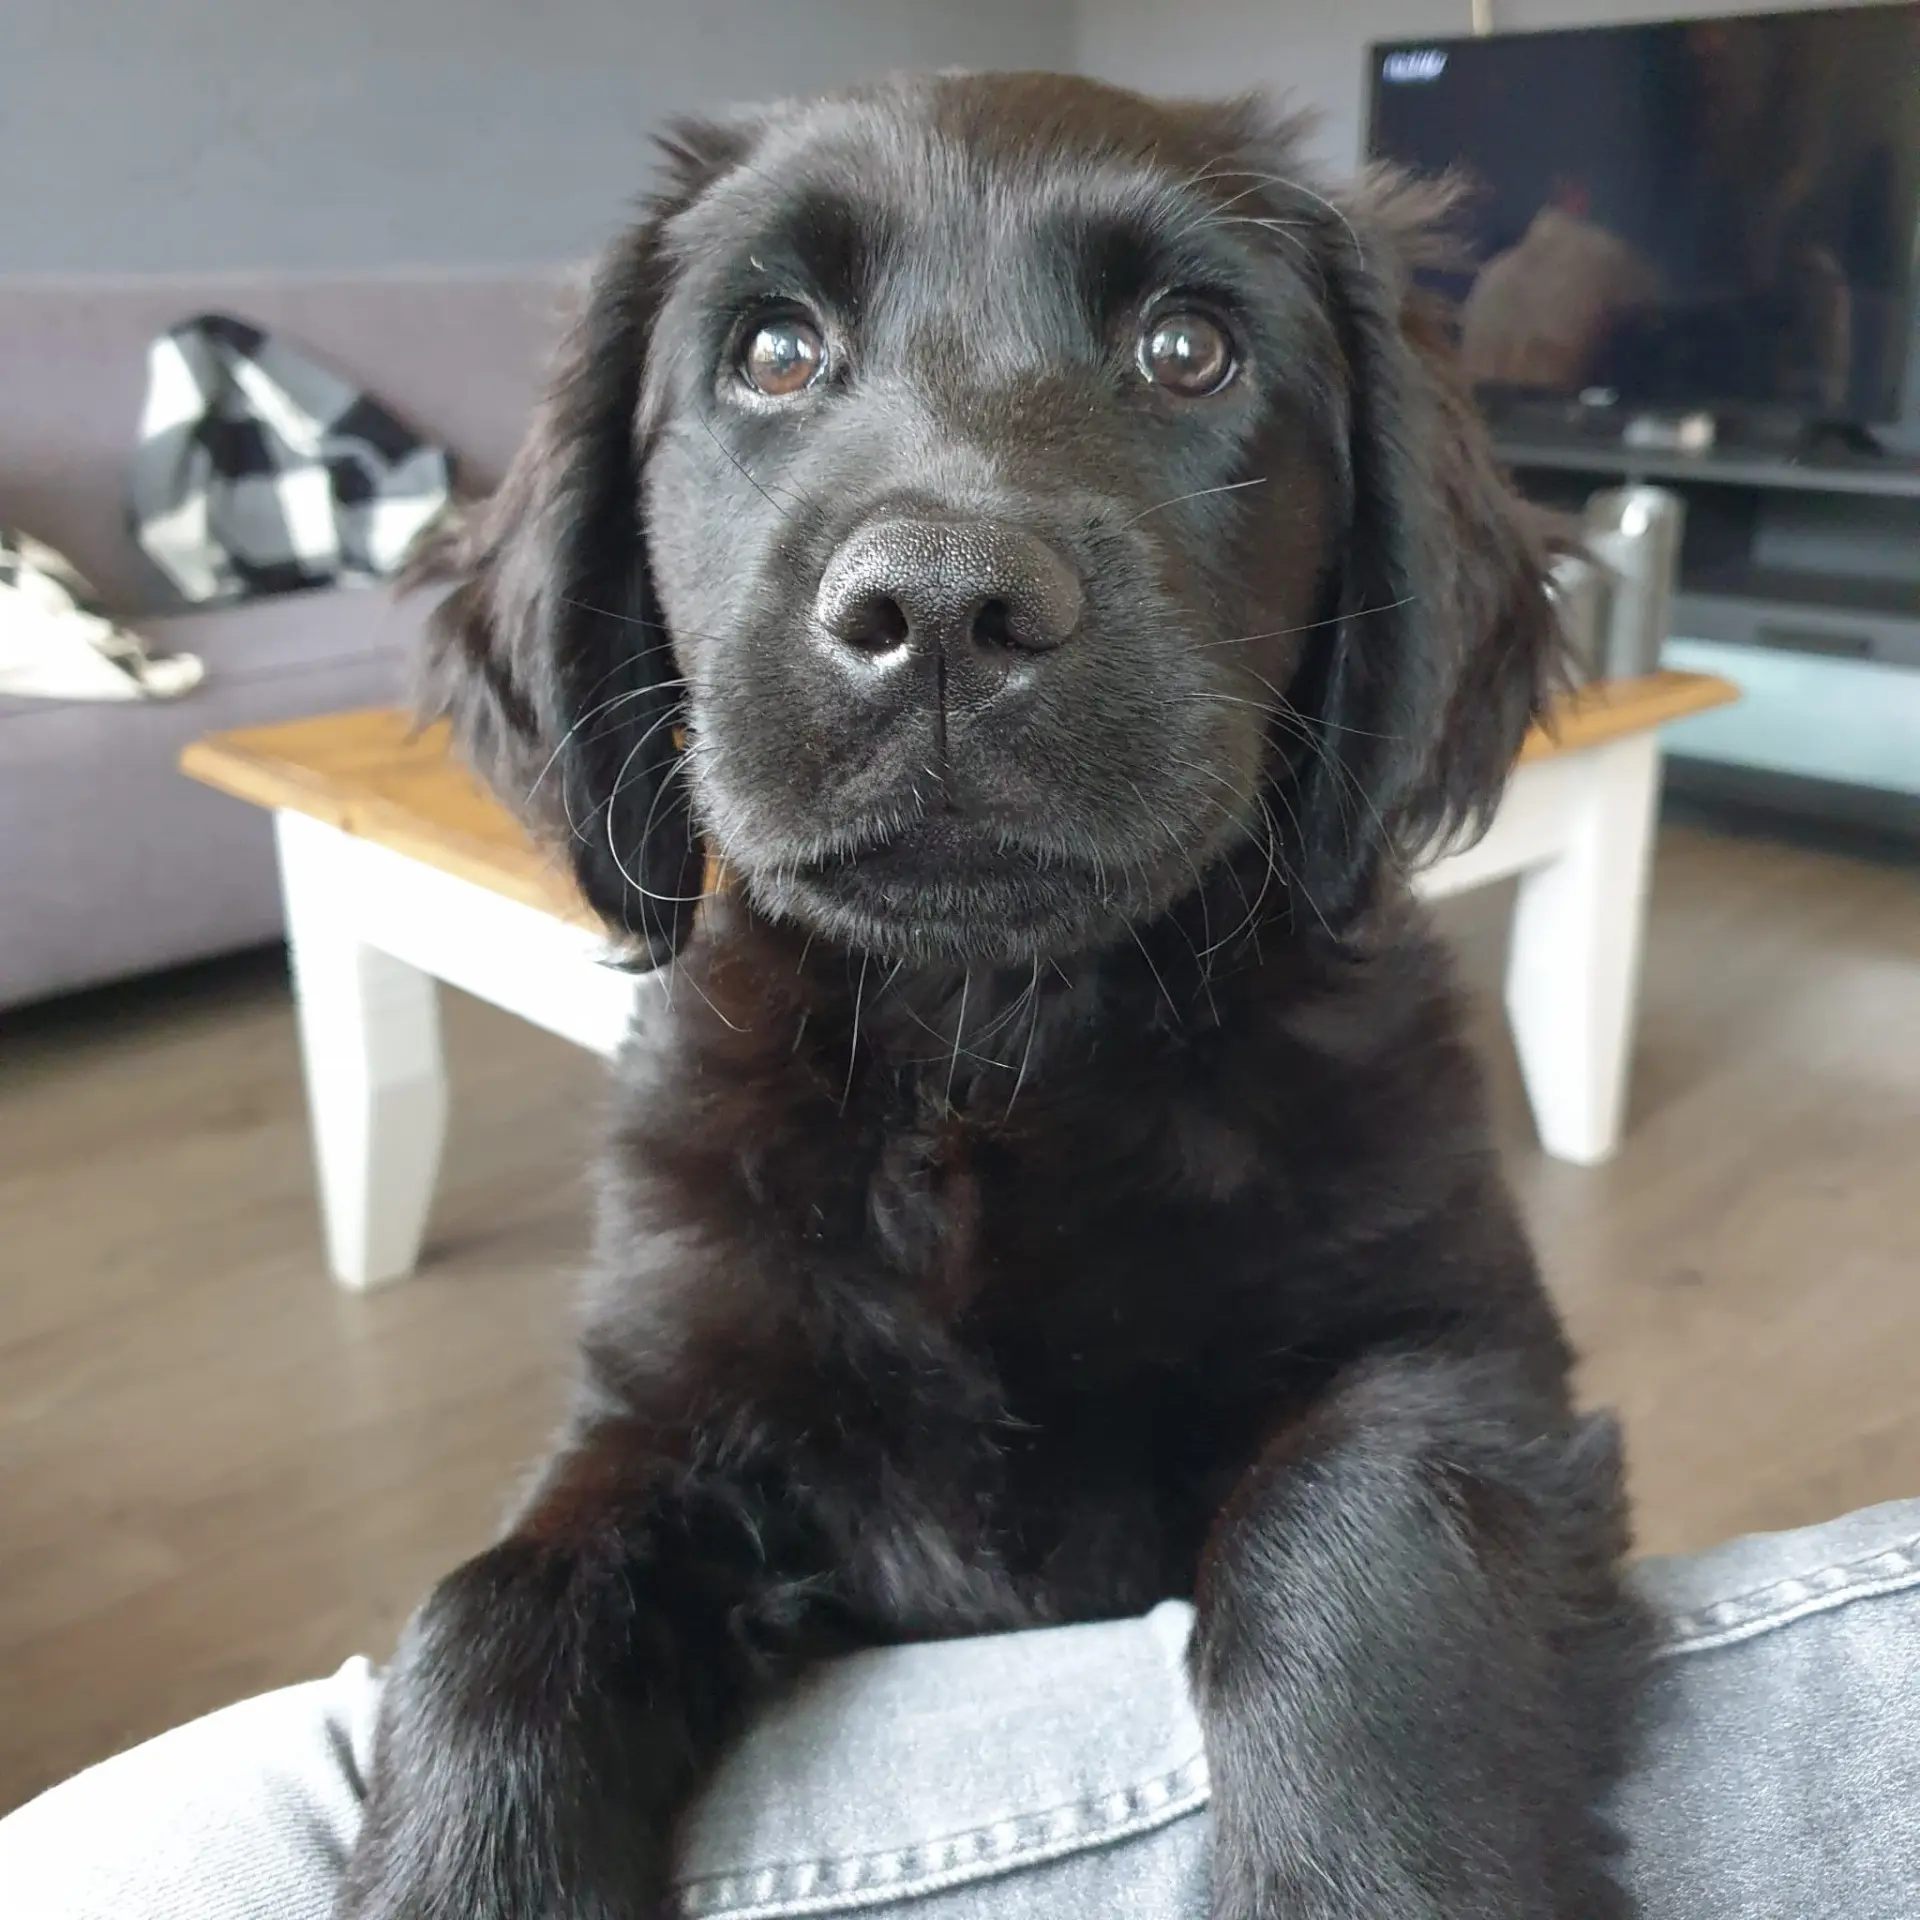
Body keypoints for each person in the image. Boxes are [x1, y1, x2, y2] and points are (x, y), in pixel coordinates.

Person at [3, 1498, 1917, 1919]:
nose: (946, 562)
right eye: (760, 412)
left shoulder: (1351, 1089)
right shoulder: (717, 1127)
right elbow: (662, 1514)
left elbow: (1441, 1407)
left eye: (1183, 412)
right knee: (488, 1682)